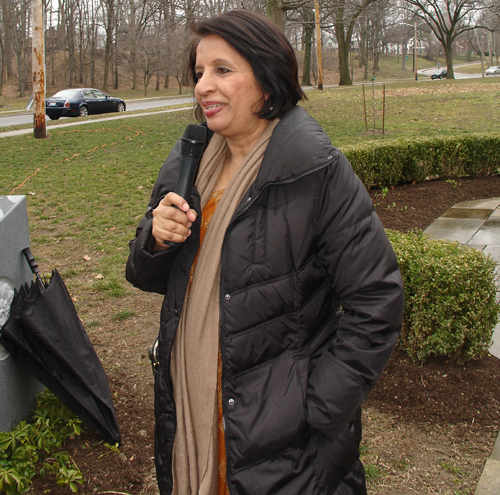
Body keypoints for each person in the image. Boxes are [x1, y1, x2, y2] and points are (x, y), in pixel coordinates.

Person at [126, 10, 404, 495]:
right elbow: (146, 275)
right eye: (199, 73)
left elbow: (377, 300)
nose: (203, 87)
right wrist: (155, 238)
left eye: (222, 71)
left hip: (285, 448)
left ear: (268, 79)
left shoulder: (315, 172)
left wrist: (315, 409)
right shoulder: (190, 162)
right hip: (193, 418)